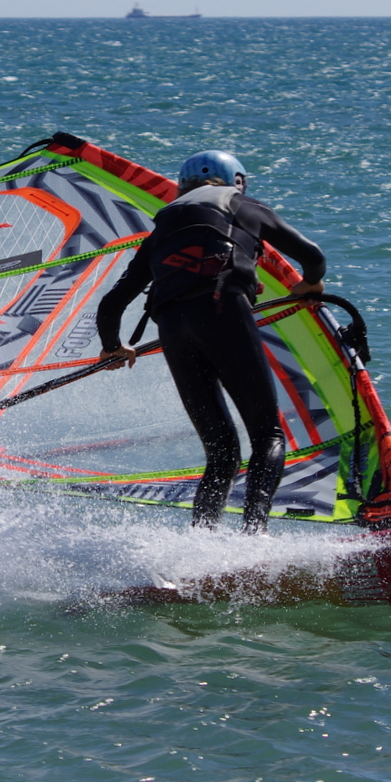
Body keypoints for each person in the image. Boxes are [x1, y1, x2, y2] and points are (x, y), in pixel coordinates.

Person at [95, 150, 327, 534]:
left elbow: (112, 304)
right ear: (238, 181)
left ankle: (202, 541)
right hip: (223, 309)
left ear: (182, 187)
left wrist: (113, 347)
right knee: (268, 435)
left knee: (222, 451)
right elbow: (313, 256)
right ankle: (253, 537)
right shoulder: (242, 204)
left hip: (173, 326)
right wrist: (311, 285)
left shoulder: (162, 227)